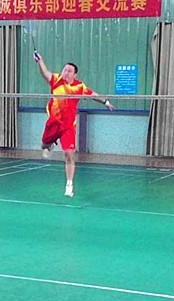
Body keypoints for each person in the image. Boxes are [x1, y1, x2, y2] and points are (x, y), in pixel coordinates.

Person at [34, 52, 114, 197]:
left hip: (68, 126)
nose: (66, 72)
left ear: (74, 75)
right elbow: (45, 72)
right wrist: (40, 61)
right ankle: (49, 145)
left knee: (69, 154)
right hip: (53, 123)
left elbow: (93, 95)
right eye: (65, 69)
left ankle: (69, 185)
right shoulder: (56, 79)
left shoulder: (79, 87)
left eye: (69, 71)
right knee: (44, 146)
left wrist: (106, 102)